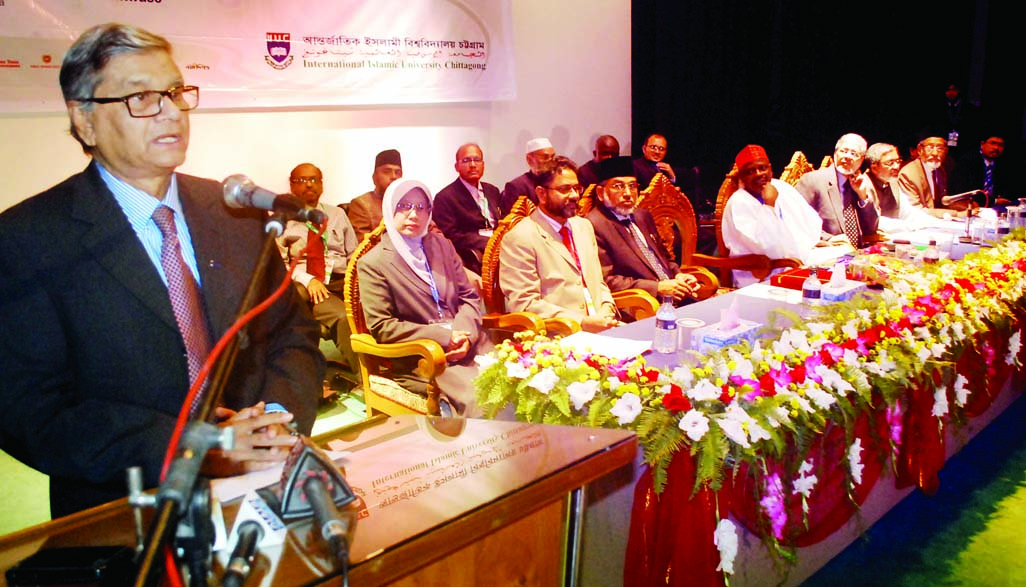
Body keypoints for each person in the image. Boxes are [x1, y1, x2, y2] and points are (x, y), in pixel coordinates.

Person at [0, 23, 322, 518]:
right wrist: (196, 445)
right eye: (141, 98)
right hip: (124, 509)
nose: (171, 111)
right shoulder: (28, 239)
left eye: (174, 92)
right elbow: (31, 412)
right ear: (84, 120)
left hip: (263, 492)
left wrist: (275, 420)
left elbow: (291, 333)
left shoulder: (234, 212)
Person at [357, 179, 484, 416]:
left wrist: (465, 334)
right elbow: (382, 326)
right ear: (390, 209)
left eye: (421, 207)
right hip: (426, 359)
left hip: (470, 345)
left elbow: (469, 296)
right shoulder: (373, 263)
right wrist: (445, 337)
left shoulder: (441, 245)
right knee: (481, 399)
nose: (413, 214)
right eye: (404, 206)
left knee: (518, 379)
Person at [499, 156, 620, 332]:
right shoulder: (520, 238)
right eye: (564, 189)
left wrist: (607, 309)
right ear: (541, 193)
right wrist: (582, 322)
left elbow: (598, 282)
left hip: (603, 325)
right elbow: (525, 304)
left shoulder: (583, 226)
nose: (574, 196)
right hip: (558, 336)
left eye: (576, 188)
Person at [586, 155, 708, 303]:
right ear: (600, 193)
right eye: (618, 186)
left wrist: (678, 275)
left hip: (672, 295)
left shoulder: (642, 216)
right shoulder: (592, 225)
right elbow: (606, 280)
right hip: (640, 305)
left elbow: (664, 257)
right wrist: (657, 288)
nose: (628, 194)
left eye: (632, 186)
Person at [279, 163, 360, 376]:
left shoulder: (337, 215)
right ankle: (369, 380)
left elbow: (354, 255)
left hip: (343, 279)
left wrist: (360, 282)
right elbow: (279, 266)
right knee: (344, 317)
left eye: (314, 179)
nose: (309, 184)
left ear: (322, 184)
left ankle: (400, 369)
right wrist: (307, 280)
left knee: (382, 306)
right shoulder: (282, 220)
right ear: (291, 185)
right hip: (313, 286)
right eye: (302, 180)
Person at [722, 145, 822, 287]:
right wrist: (769, 205)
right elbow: (765, 246)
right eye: (751, 171)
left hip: (796, 263)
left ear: (770, 169)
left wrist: (813, 240)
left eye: (762, 168)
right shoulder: (739, 202)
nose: (758, 174)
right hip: (761, 274)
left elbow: (809, 221)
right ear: (742, 177)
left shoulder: (782, 187)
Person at [796, 133, 879, 247]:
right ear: (835, 153)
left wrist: (862, 197)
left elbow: (871, 229)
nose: (848, 156)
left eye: (854, 154)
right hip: (826, 253)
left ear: (861, 160)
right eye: (844, 151)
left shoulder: (863, 182)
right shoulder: (813, 180)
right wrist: (827, 239)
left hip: (858, 254)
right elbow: (796, 219)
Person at [432, 143, 502, 276]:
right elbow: (450, 236)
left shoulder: (492, 190)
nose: (473, 165)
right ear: (456, 166)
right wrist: (489, 243)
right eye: (466, 160)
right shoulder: (445, 197)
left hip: (500, 249)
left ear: (483, 164)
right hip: (472, 256)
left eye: (477, 160)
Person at [862, 143, 946, 232]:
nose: (896, 166)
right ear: (874, 168)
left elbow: (908, 212)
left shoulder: (892, 181)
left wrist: (935, 223)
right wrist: (909, 226)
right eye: (890, 163)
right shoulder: (863, 185)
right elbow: (876, 221)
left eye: (898, 161)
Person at [347, 148, 403, 242]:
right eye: (387, 171)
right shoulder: (361, 205)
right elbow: (363, 247)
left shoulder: (409, 203)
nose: (394, 176)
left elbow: (431, 231)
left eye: (398, 172)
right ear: (374, 178)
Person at [897, 136, 953, 218]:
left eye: (940, 148)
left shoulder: (940, 170)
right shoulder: (908, 174)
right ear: (920, 150)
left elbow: (941, 203)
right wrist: (956, 214)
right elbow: (916, 210)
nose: (935, 153)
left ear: (945, 151)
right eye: (930, 147)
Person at [948, 134, 1013, 203]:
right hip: (969, 204)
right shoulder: (967, 162)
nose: (996, 148)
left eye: (1000, 145)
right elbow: (966, 192)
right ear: (982, 144)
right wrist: (994, 201)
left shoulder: (1003, 164)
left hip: (995, 207)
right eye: (992, 143)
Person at [499, 137, 555, 215]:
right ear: (529, 159)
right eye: (545, 157)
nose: (550, 161)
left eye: (552, 157)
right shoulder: (517, 187)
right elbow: (511, 221)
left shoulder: (556, 182)